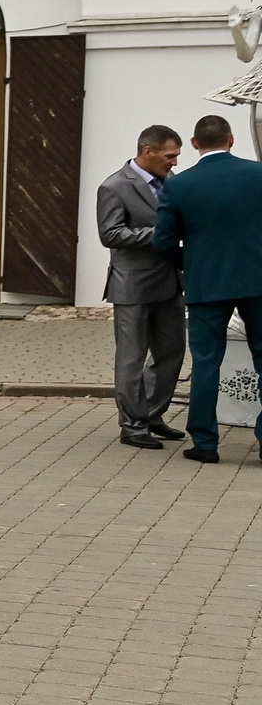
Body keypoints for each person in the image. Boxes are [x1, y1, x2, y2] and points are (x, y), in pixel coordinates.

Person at [154, 113, 262, 462]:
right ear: (231, 140)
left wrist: (191, 261)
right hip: (257, 279)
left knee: (206, 363)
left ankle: (204, 443)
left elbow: (163, 241)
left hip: (206, 282)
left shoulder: (180, 184)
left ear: (195, 143)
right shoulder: (258, 175)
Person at [98, 124, 186, 449]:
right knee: (132, 357)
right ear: (148, 152)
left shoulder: (173, 183)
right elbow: (110, 234)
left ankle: (150, 413)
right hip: (132, 285)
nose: (175, 162)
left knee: (173, 351)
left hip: (169, 282)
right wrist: (160, 233)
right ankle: (132, 425)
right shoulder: (114, 186)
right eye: (170, 155)